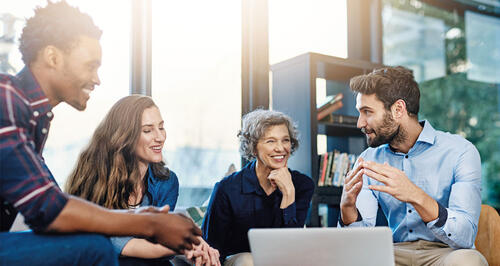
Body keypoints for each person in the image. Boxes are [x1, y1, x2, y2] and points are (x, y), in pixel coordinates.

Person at [0, 2, 200, 265]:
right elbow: (48, 210)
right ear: (53, 57)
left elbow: (50, 204)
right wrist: (147, 222)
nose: (97, 79)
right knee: (93, 249)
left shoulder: (34, 116)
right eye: (90, 66)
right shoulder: (7, 97)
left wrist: (142, 218)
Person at [339, 66, 487, 266]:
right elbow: (357, 244)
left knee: (467, 261)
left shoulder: (460, 151)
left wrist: (414, 195)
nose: (360, 123)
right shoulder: (368, 160)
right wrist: (347, 209)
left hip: (445, 252)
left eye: (367, 112)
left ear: (398, 109)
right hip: (393, 253)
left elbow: (465, 236)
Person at [66, 95, 220, 266]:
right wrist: (188, 245)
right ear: (124, 136)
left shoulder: (167, 182)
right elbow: (116, 244)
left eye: (161, 128)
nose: (160, 137)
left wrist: (192, 244)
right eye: (148, 130)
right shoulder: (97, 177)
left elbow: (162, 240)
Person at [202, 109, 315, 266]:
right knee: (248, 261)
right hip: (238, 261)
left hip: (282, 261)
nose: (281, 148)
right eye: (271, 141)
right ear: (253, 148)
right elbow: (212, 248)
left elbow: (290, 249)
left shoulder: (302, 185)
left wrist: (289, 194)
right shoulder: (227, 188)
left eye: (285, 140)